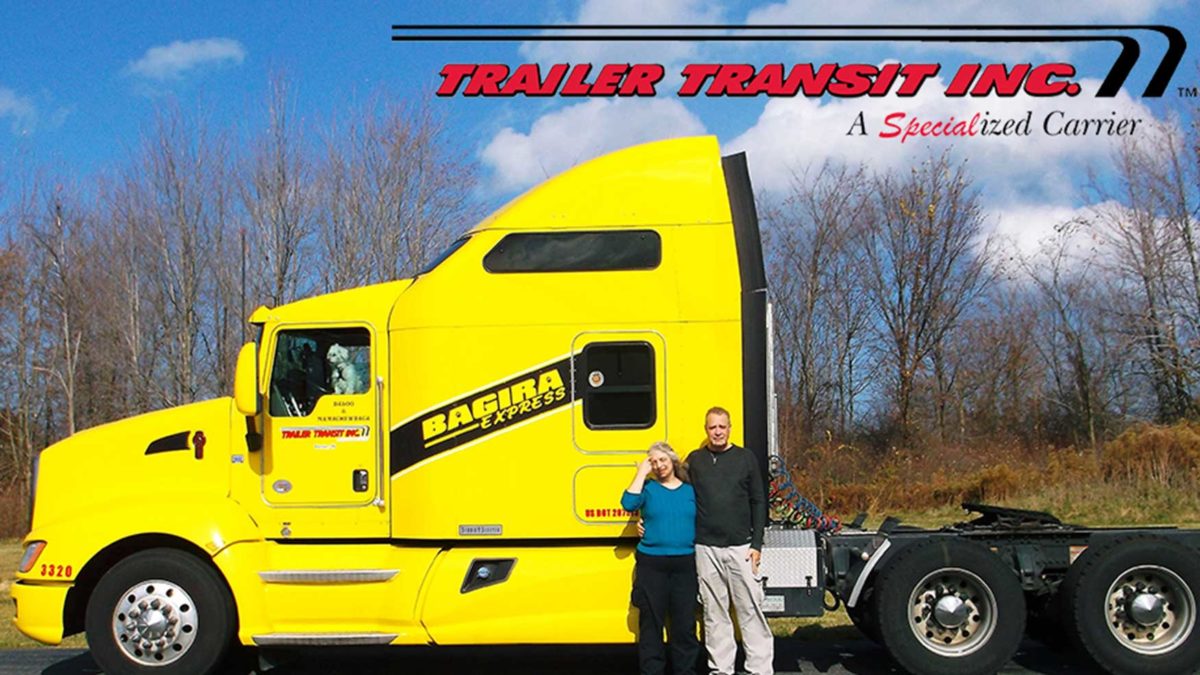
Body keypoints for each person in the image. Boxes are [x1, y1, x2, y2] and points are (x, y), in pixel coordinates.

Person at [685, 406, 772, 675]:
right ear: (706, 430)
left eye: (722, 426)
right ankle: (721, 669)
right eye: (713, 427)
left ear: (730, 428)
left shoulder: (745, 458)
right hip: (705, 547)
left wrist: (757, 544)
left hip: (741, 547)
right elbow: (675, 492)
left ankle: (759, 669)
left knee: (750, 611)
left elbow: (759, 501)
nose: (718, 432)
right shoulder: (695, 460)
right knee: (714, 614)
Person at [622, 442, 700, 675]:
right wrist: (641, 472)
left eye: (662, 460)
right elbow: (628, 503)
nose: (659, 466)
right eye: (653, 462)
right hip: (652, 565)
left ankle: (685, 670)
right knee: (651, 625)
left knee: (685, 626)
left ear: (673, 461)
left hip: (685, 565)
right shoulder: (647, 489)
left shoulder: (691, 491)